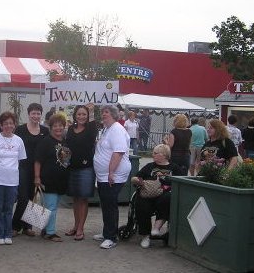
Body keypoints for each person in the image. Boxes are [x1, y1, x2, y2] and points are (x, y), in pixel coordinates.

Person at [92, 105, 131, 249]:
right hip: (103, 176)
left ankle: (111, 237)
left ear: (114, 115)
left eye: (106, 112)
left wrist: (111, 172)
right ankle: (107, 232)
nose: (103, 115)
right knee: (106, 204)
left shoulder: (117, 129)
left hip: (114, 175)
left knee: (110, 205)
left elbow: (119, 152)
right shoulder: (107, 129)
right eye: (102, 112)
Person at [130, 144, 183, 249]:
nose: (153, 155)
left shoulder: (175, 168)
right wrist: (136, 180)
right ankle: (146, 236)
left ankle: (156, 228)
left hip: (164, 194)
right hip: (148, 193)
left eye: (155, 153)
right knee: (141, 203)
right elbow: (137, 176)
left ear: (164, 155)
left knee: (167, 199)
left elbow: (179, 183)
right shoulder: (149, 166)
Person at [0, 112, 27, 245]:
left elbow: (20, 161)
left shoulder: (18, 140)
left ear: (14, 125)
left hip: (12, 180)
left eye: (11, 123)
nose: (8, 126)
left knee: (8, 208)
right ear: (0, 125)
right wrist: (0, 169)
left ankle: (7, 233)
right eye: (5, 123)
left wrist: (11, 170)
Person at [12, 103, 49, 237]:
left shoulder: (45, 131)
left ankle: (27, 227)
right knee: (22, 197)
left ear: (41, 115)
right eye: (33, 113)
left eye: (38, 113)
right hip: (23, 167)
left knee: (33, 198)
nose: (36, 116)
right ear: (28, 114)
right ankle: (15, 226)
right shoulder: (20, 129)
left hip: (39, 168)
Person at [34, 114, 71, 242]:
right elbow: (38, 161)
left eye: (60, 125)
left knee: (51, 205)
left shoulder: (65, 142)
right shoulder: (46, 141)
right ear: (51, 127)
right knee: (51, 207)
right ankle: (50, 232)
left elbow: (66, 160)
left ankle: (45, 229)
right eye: (55, 126)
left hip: (61, 180)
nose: (58, 128)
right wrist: (37, 177)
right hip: (48, 179)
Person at [64, 104, 98, 241]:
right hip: (72, 168)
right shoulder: (71, 129)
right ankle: (75, 225)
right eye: (79, 114)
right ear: (75, 116)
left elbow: (93, 125)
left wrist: (91, 110)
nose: (81, 116)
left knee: (83, 198)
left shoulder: (91, 129)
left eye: (84, 114)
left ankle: (80, 228)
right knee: (75, 198)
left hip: (86, 169)